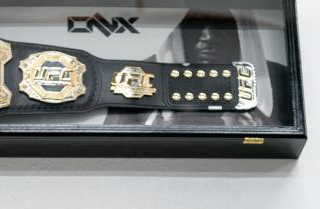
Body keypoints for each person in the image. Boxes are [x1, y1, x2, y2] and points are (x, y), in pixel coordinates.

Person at [105, 9, 292, 127]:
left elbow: (288, 136)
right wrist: (157, 127)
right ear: (178, 27)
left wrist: (261, 125)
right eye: (198, 22)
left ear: (240, 31)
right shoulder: (137, 75)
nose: (209, 36)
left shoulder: (277, 78)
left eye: (222, 24)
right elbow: (112, 144)